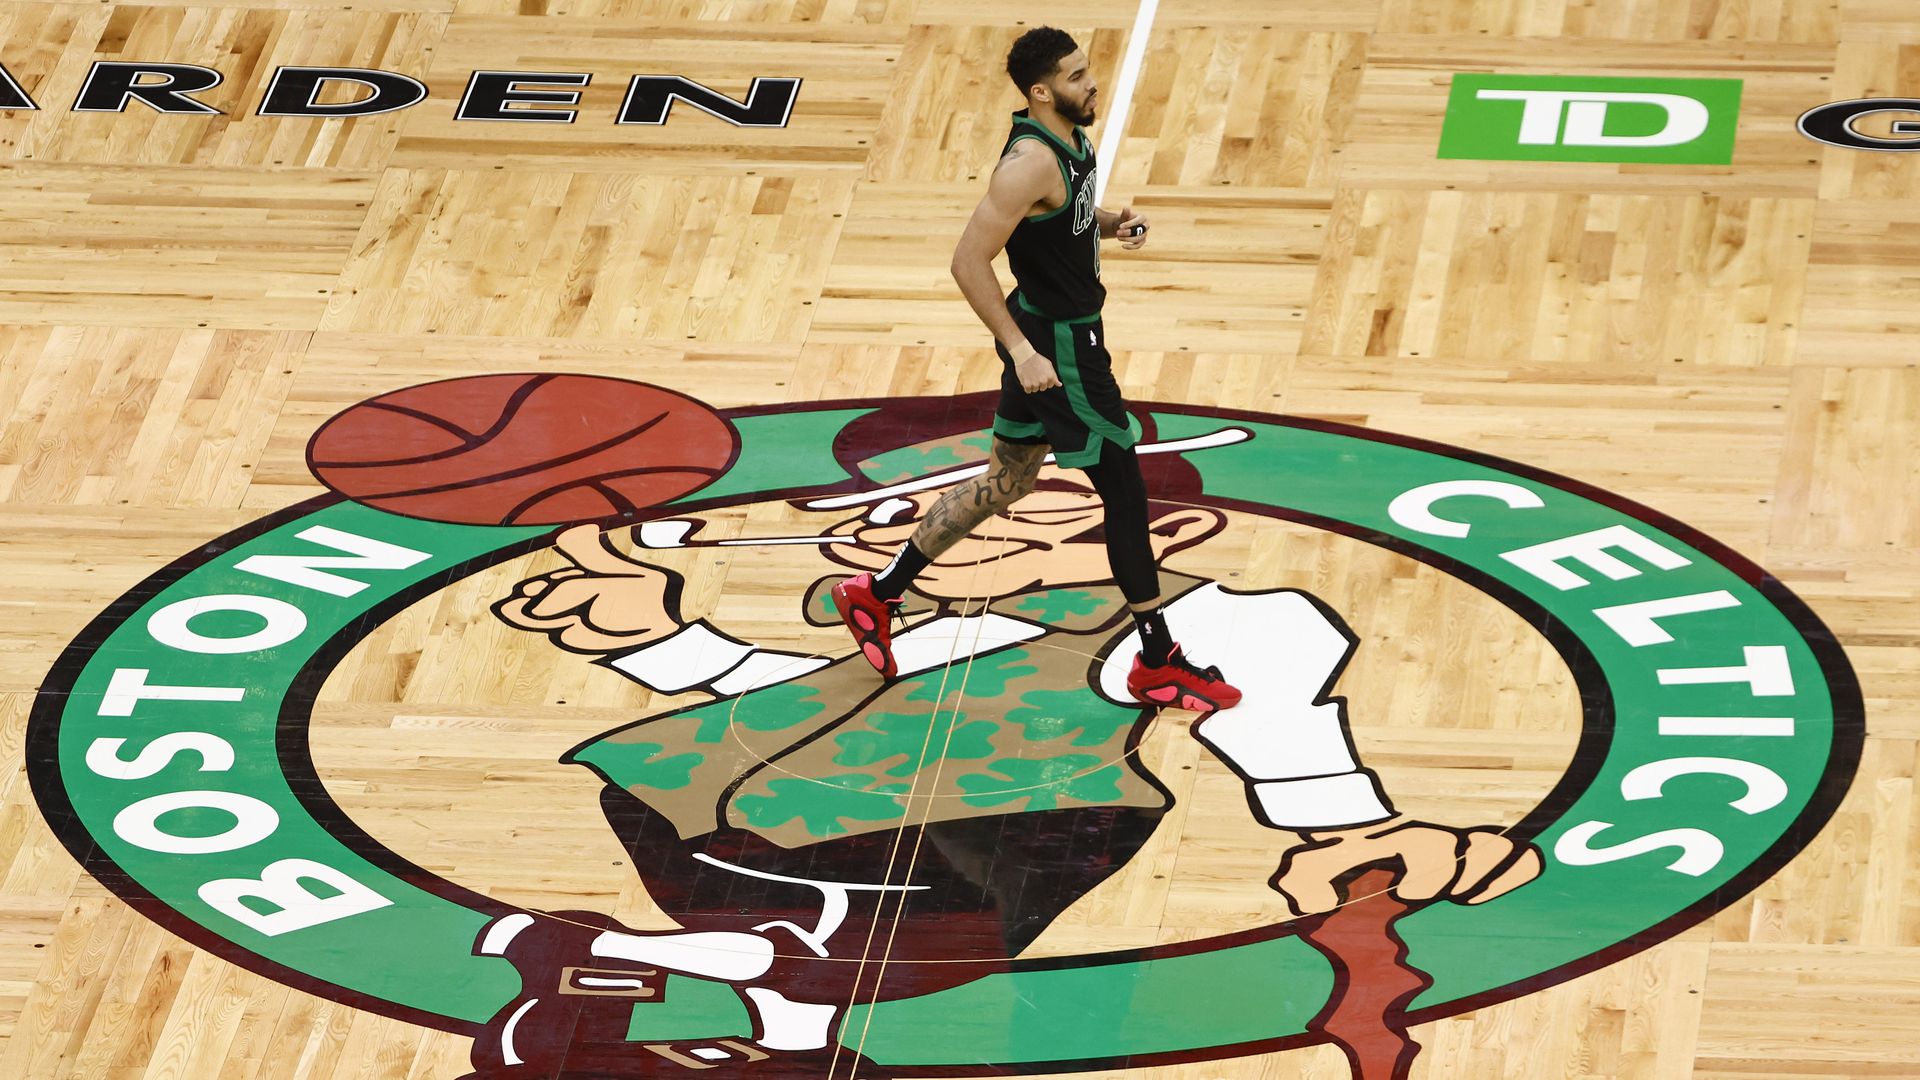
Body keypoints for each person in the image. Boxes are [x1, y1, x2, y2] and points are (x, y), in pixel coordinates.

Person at [829, 26, 1242, 712]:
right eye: (1077, 77)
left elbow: (1057, 217)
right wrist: (1023, 352)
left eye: (1089, 71)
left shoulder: (1069, 135)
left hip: (1053, 334)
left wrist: (1108, 223)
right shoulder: (1026, 161)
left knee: (1009, 480)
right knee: (1126, 493)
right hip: (1059, 349)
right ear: (1042, 91)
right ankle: (1157, 663)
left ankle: (878, 593)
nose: (1093, 84)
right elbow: (967, 262)